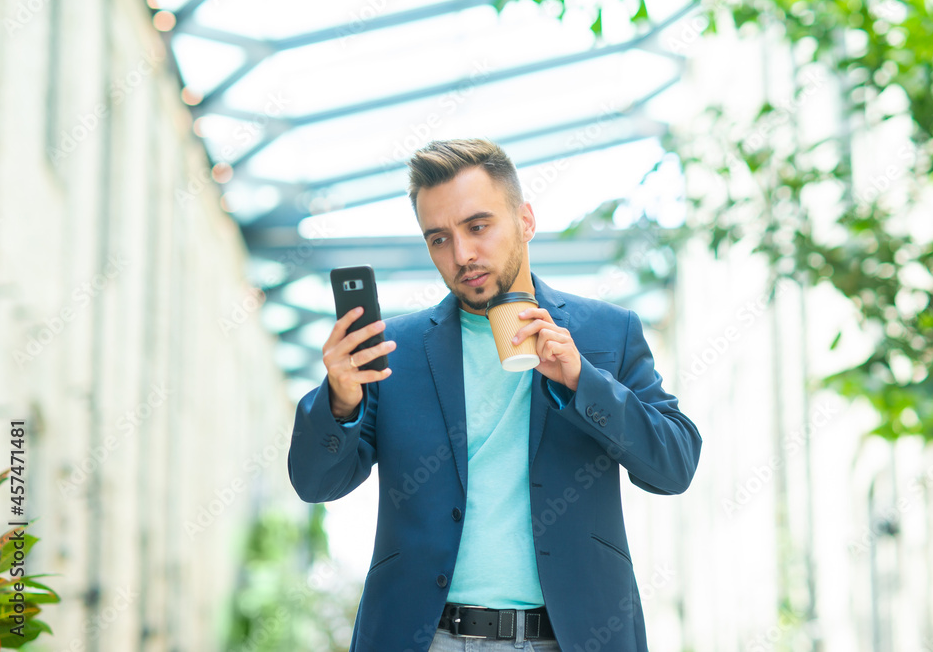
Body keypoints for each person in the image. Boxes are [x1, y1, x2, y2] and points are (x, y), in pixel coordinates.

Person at [287, 139, 702, 652]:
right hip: (427, 638)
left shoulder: (607, 334)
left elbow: (674, 465)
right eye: (438, 239)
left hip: (572, 637)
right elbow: (315, 483)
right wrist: (340, 402)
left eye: (478, 226)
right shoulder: (395, 351)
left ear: (526, 220)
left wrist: (582, 381)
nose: (462, 255)